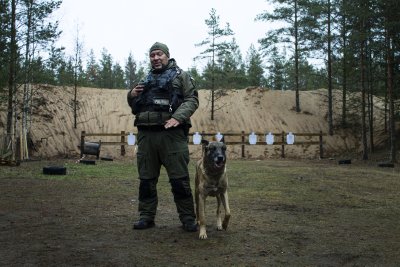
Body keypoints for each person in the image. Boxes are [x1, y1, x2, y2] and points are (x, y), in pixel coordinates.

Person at [127, 42, 199, 232]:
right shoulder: (145, 78)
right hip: (146, 136)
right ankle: (146, 216)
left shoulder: (181, 76)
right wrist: (131, 94)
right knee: (146, 180)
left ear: (167, 56)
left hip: (172, 136)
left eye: (159, 54)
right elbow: (135, 104)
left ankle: (188, 219)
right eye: (152, 55)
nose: (156, 58)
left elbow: (192, 99)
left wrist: (178, 117)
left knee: (179, 180)